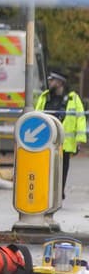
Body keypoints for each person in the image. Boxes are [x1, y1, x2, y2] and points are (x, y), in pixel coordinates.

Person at [35, 72, 87, 200]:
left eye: (52, 80)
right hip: (45, 141)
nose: (50, 83)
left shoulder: (72, 98)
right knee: (45, 169)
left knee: (62, 170)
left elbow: (80, 118)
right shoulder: (45, 97)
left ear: (60, 83)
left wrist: (79, 140)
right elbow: (36, 116)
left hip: (64, 142)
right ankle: (45, 193)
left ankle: (59, 193)